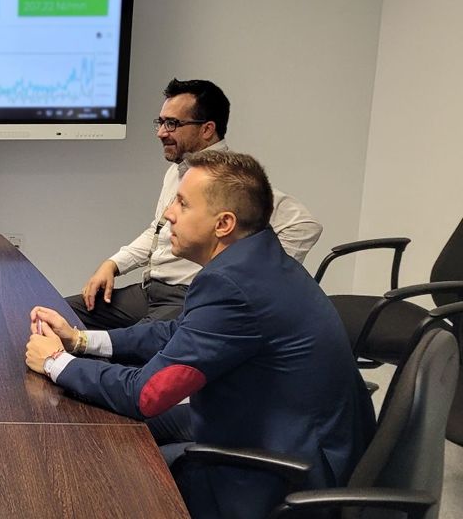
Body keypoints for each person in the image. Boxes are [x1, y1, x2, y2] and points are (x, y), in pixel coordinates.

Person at [25, 151, 374, 519]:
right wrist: (81, 341)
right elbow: (177, 331)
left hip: (285, 474)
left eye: (182, 203)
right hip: (276, 430)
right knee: (103, 428)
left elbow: (147, 394)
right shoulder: (258, 260)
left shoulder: (233, 284)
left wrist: (55, 362)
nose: (167, 214)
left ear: (223, 224)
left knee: (115, 477)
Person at [68, 78, 322, 330]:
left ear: (207, 129)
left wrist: (255, 284)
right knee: (58, 312)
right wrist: (112, 264)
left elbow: (304, 225)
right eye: (160, 122)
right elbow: (157, 230)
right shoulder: (178, 171)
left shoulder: (226, 178)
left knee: (115, 350)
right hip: (149, 291)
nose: (161, 132)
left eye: (172, 123)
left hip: (185, 298)